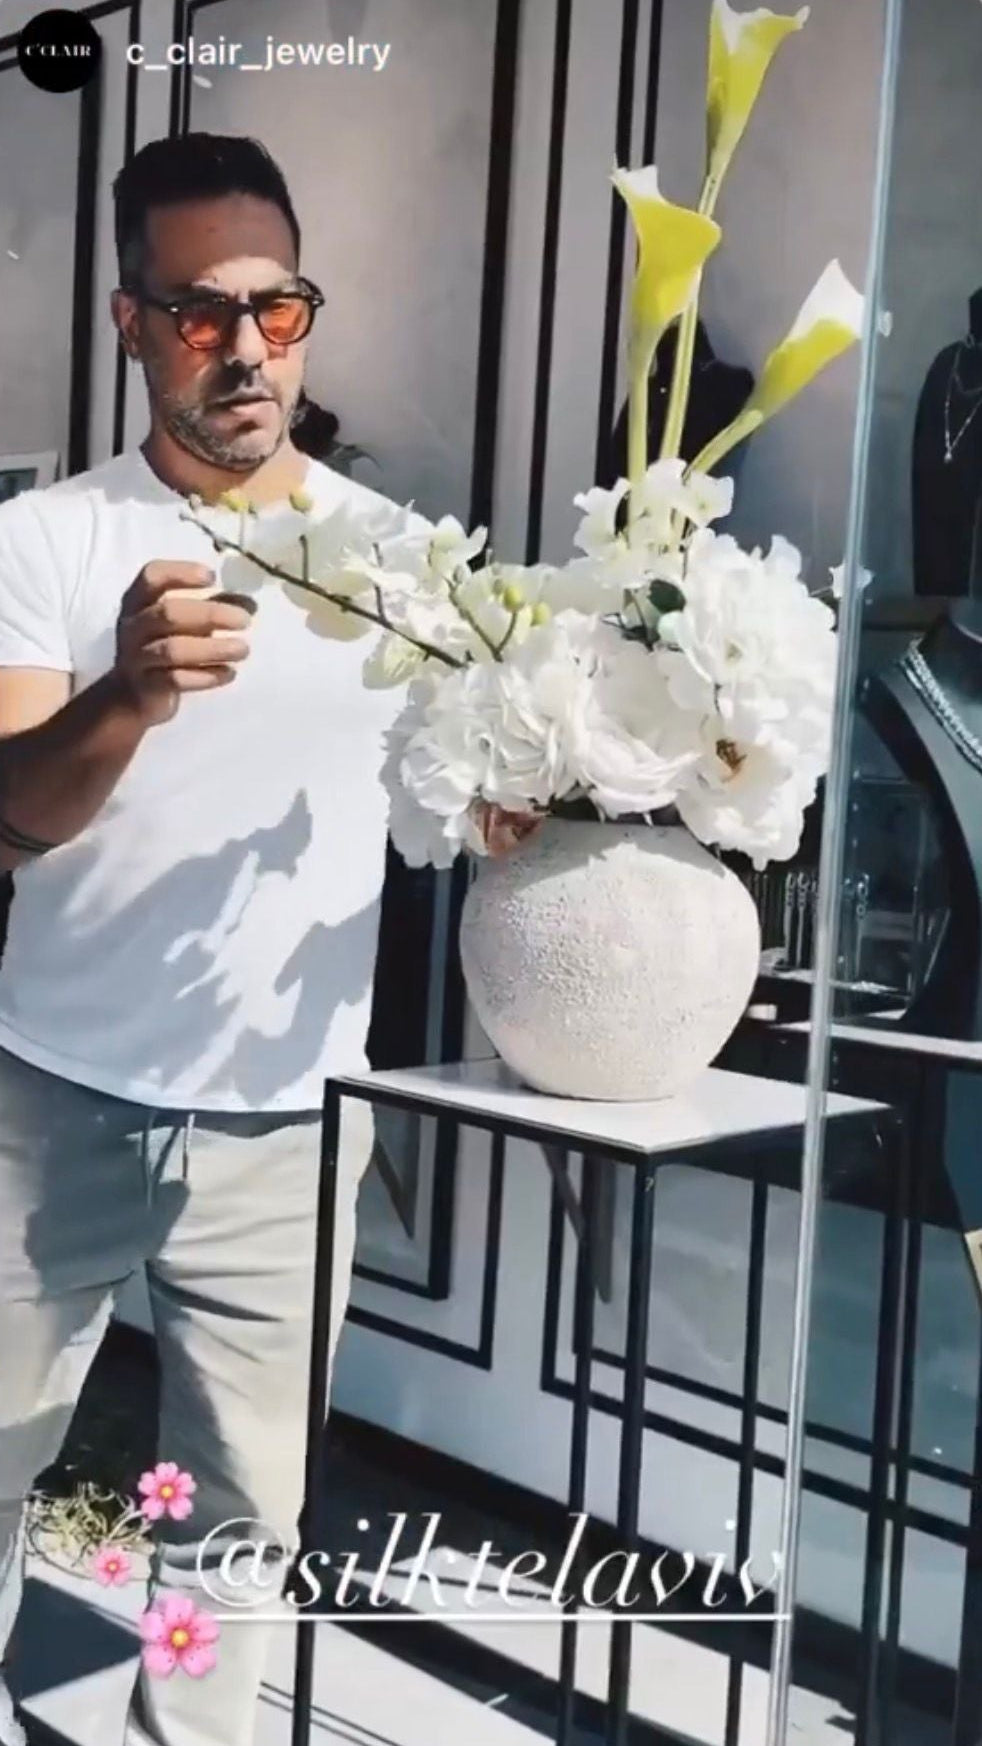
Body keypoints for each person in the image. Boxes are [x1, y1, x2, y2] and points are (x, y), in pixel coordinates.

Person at [0, 131, 442, 1746]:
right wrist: (127, 693)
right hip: (50, 1095)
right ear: (132, 322)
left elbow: (441, 805)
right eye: (200, 311)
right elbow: (13, 814)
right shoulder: (49, 541)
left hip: (290, 1121)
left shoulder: (397, 560)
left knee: (238, 1528)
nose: (246, 346)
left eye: (278, 306)